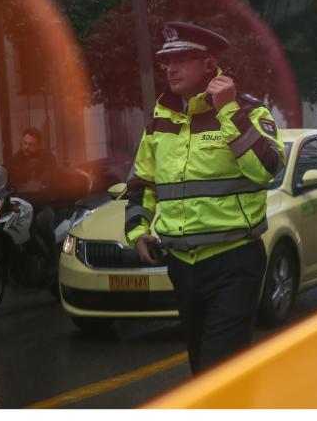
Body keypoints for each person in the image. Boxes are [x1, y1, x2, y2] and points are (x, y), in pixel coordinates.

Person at [124, 21, 285, 375]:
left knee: (218, 370)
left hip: (234, 263)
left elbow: (266, 169)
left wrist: (228, 110)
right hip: (182, 266)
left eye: (181, 59)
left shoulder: (249, 110)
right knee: (203, 372)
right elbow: (140, 186)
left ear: (209, 64)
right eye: (166, 60)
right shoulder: (160, 119)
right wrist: (138, 233)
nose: (170, 67)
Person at [6, 127, 59, 271]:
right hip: (23, 203)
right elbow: (6, 171)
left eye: (31, 144)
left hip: (44, 203)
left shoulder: (47, 157)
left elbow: (49, 174)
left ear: (39, 145)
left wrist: (39, 182)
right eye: (25, 143)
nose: (27, 147)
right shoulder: (17, 158)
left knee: (42, 221)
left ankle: (53, 261)